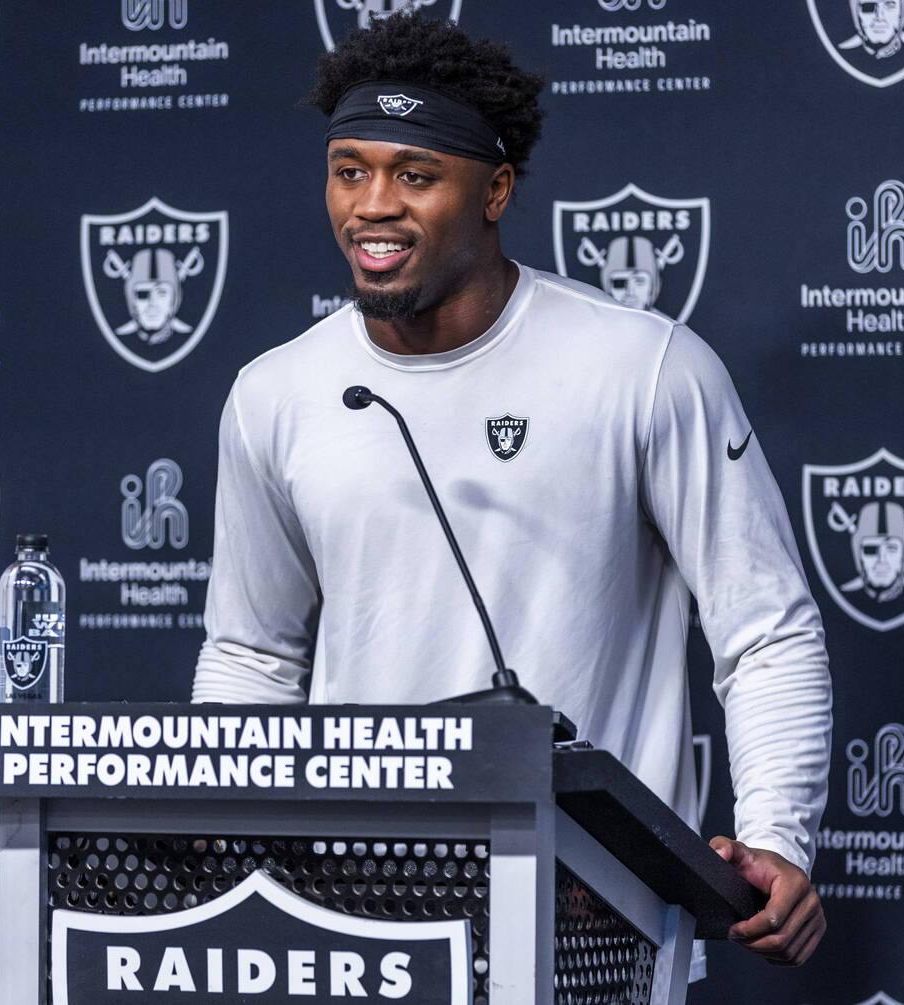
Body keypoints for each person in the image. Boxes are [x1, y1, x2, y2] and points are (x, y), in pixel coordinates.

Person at [194, 13, 831, 971]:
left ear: (494, 191)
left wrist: (777, 833)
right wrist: (235, 855)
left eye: (415, 175)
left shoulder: (644, 369)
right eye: (350, 168)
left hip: (590, 925)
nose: (373, 205)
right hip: (358, 928)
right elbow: (252, 652)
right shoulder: (275, 394)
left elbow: (766, 628)